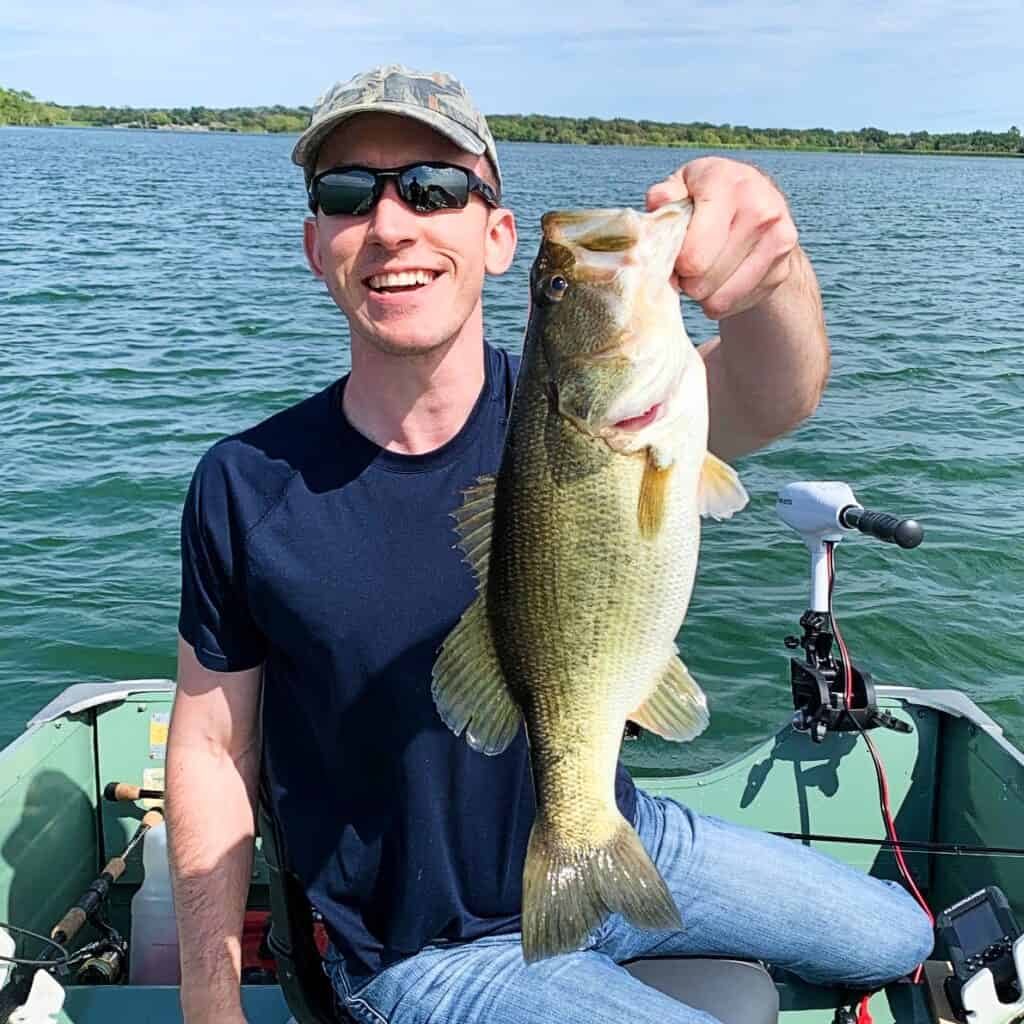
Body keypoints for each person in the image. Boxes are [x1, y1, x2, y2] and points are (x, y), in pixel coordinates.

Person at [166, 64, 933, 1024]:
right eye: (348, 194)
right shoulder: (245, 485)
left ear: (496, 238)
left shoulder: (595, 412)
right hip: (425, 946)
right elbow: (208, 745)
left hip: (616, 825)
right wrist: (208, 997)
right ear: (316, 242)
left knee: (904, 937)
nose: (393, 224)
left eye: (436, 189)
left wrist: (772, 275)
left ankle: (598, 879)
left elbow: (780, 390)